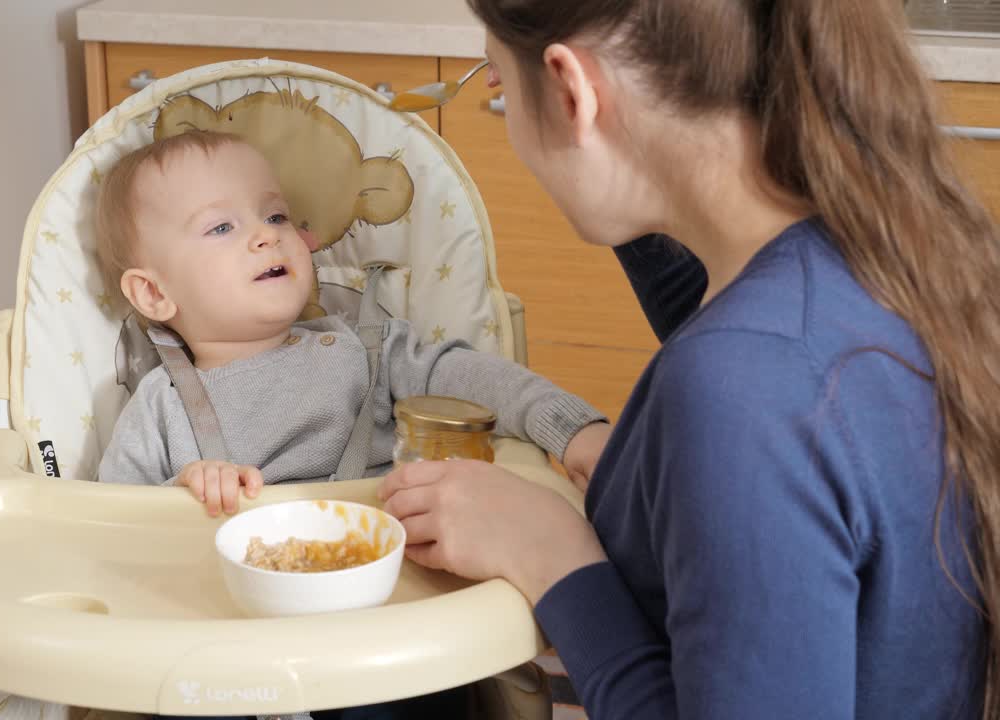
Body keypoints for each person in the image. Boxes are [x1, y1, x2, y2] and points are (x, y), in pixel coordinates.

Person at [380, 2, 1000, 719]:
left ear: (570, 90)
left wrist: (552, 554)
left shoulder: (745, 383)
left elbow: (750, 392)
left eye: (500, 83)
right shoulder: (892, 250)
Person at [91, 129, 611, 720]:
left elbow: (484, 381)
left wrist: (572, 430)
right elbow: (111, 537)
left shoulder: (369, 353)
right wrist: (185, 492)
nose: (268, 235)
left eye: (276, 215)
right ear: (154, 293)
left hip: (384, 638)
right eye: (221, 227)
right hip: (230, 657)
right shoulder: (160, 407)